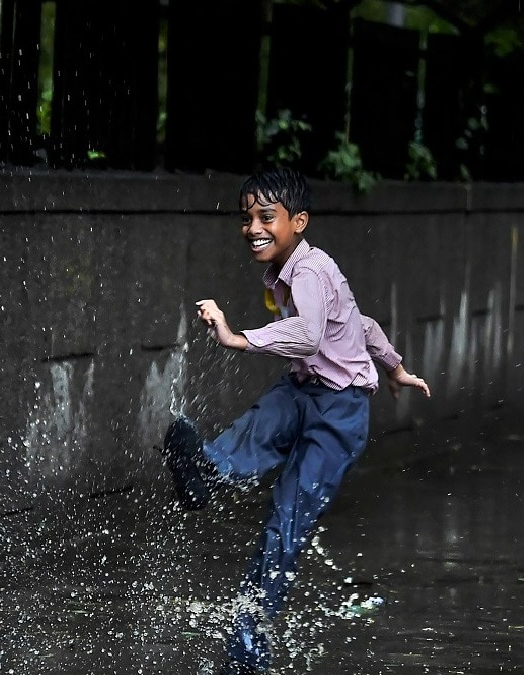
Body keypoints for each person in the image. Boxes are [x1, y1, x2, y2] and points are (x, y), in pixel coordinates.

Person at [159, 167, 431, 675]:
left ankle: (247, 650)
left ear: (298, 221)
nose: (253, 227)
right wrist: (393, 366)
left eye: (267, 217)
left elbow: (306, 337)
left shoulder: (308, 272)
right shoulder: (296, 271)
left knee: (284, 523)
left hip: (340, 415)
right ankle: (206, 473)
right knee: (260, 423)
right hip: (302, 391)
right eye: (247, 218)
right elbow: (361, 322)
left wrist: (238, 338)